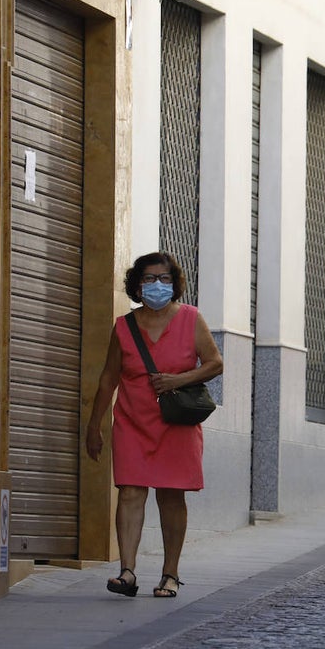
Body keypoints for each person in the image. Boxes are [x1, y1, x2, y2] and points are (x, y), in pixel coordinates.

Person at [85, 252, 223, 598]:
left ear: (174, 284)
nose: (157, 285)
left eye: (164, 279)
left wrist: (178, 380)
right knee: (130, 492)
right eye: (149, 279)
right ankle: (127, 572)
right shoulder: (124, 327)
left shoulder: (191, 319)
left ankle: (170, 574)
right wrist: (94, 425)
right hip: (132, 422)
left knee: (171, 497)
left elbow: (214, 363)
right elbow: (107, 379)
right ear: (137, 284)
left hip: (175, 423)